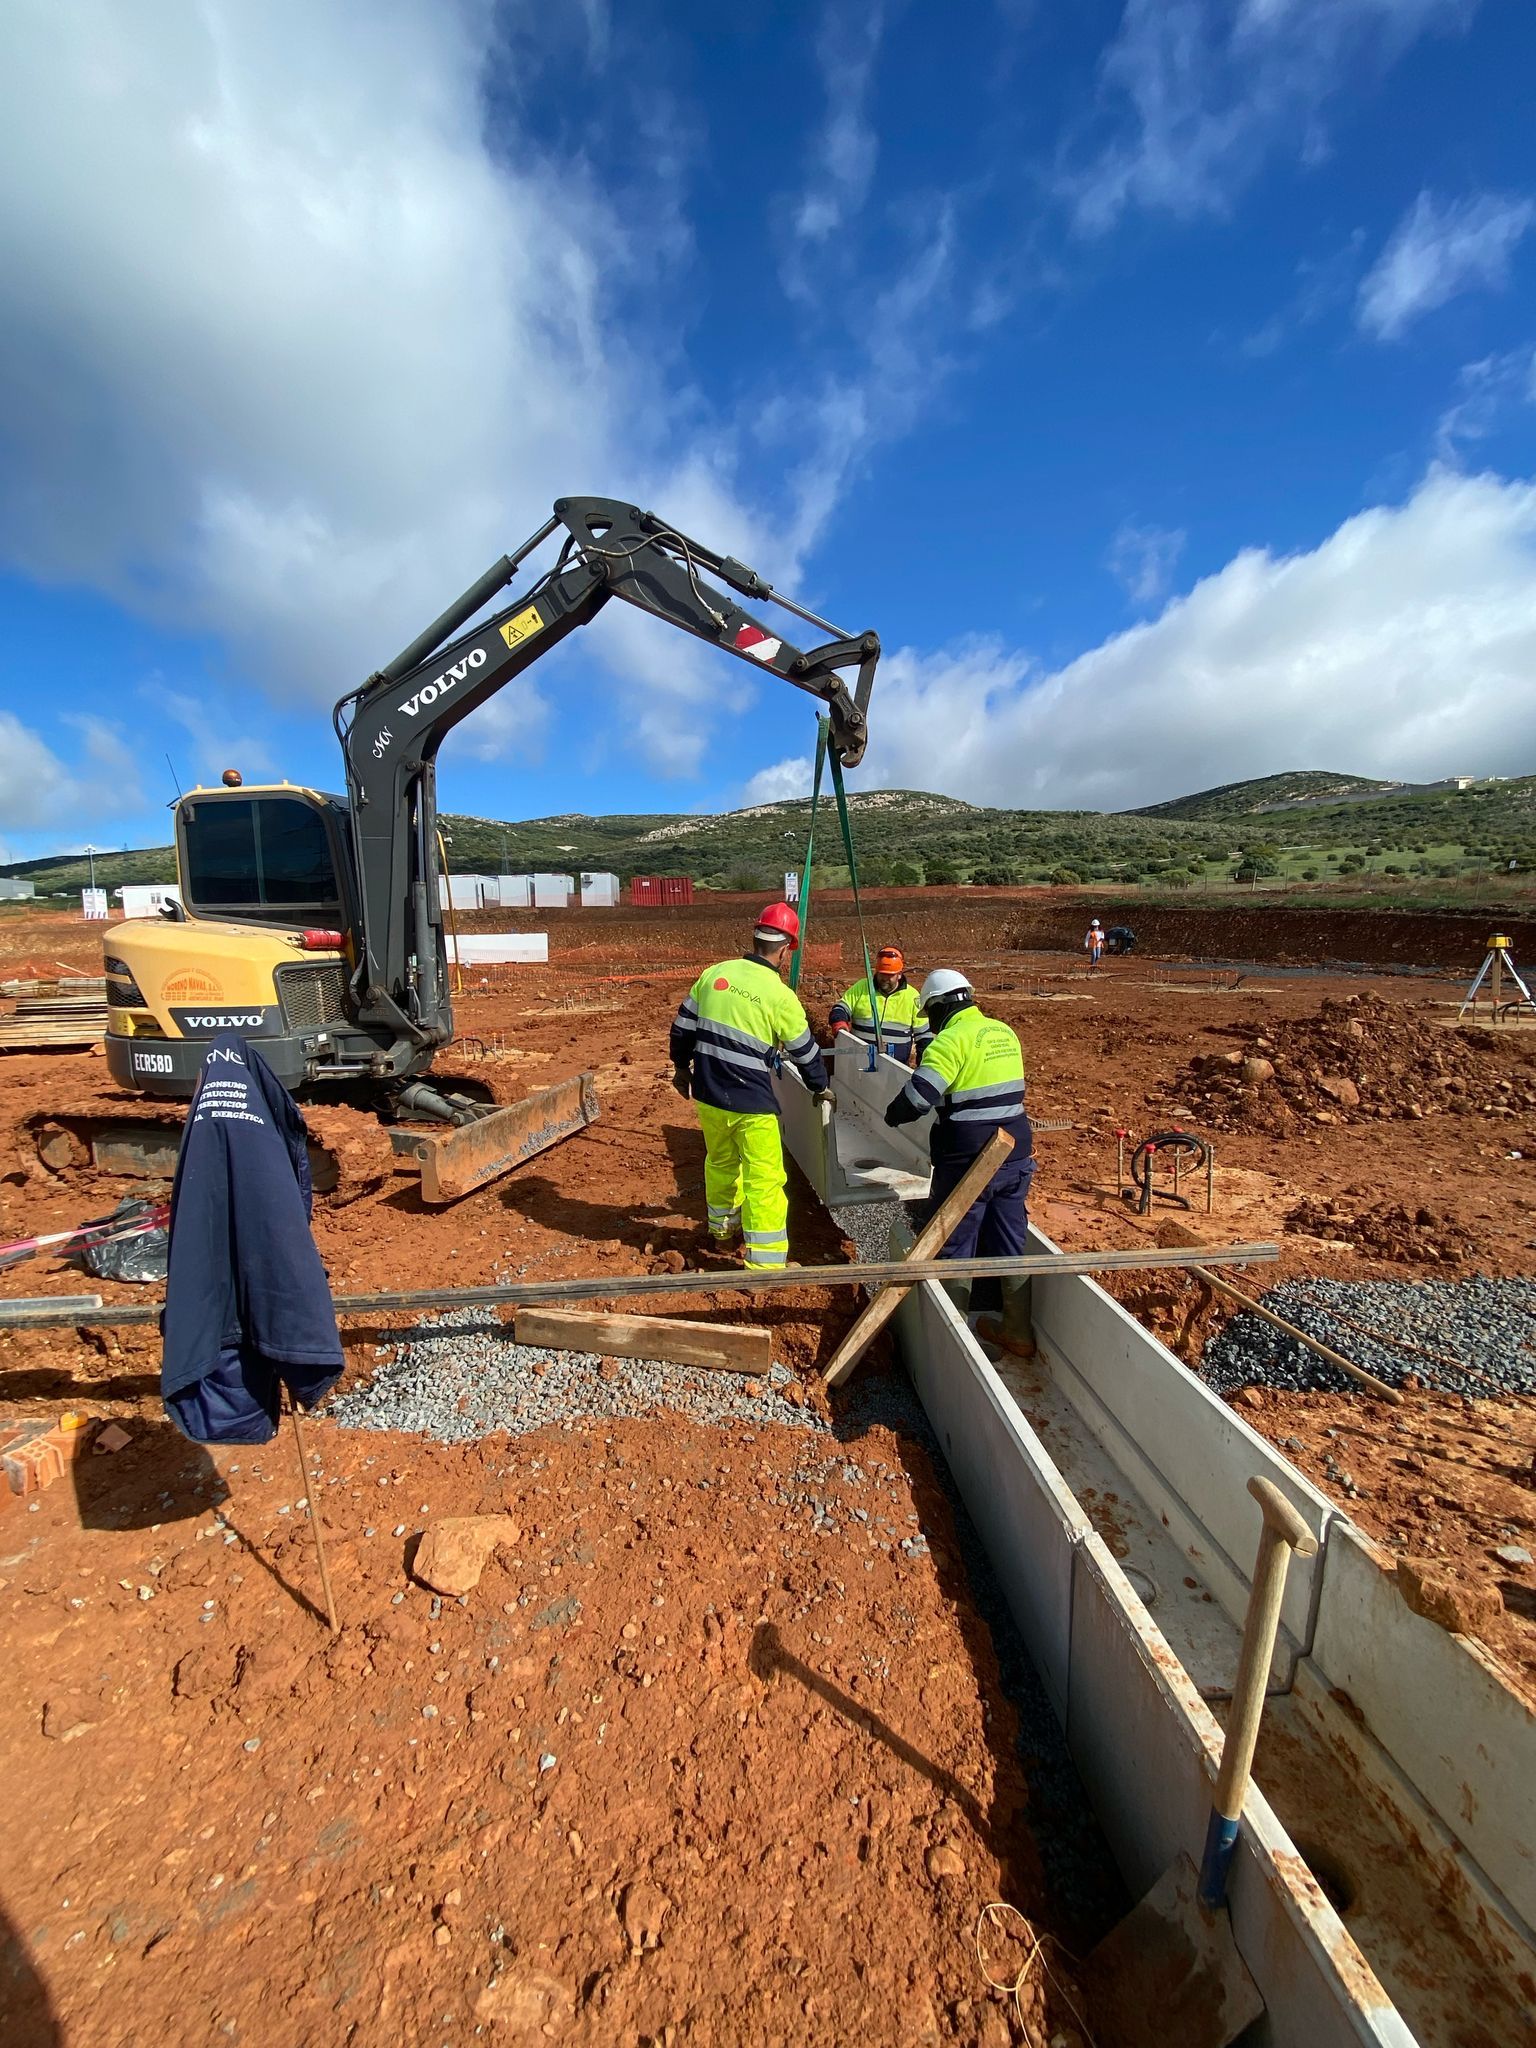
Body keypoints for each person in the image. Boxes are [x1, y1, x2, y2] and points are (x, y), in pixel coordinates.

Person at [669, 903, 833, 1270]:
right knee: (765, 1180)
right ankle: (767, 1264)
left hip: (709, 1095)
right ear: (787, 948)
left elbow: (681, 1029)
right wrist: (819, 1087)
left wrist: (682, 1069)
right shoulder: (779, 996)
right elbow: (806, 1053)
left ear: (756, 938)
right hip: (752, 1104)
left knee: (721, 1163)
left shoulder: (715, 975)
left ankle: (722, 1235)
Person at [883, 968, 1035, 1357]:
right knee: (1009, 1241)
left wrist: (892, 1115)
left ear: (939, 1007)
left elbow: (919, 1098)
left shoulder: (949, 1041)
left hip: (969, 1159)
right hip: (1015, 1152)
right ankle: (1017, 1331)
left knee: (955, 1242)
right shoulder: (1005, 1032)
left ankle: (957, 1344)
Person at [828, 945, 930, 1063]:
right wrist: (839, 1022)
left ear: (899, 974)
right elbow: (840, 1008)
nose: (885, 979)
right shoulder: (862, 987)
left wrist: (923, 1065)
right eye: (882, 974)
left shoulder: (912, 997)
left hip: (895, 1070)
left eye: (890, 975)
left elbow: (924, 1037)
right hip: (858, 1065)